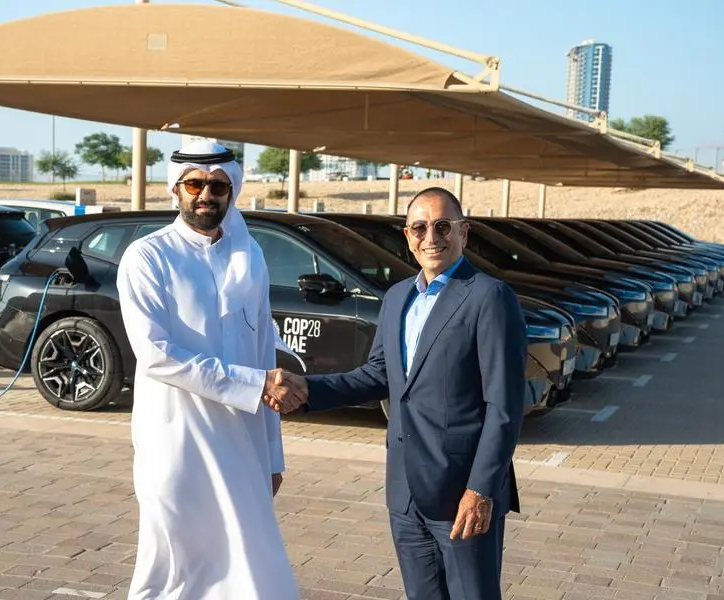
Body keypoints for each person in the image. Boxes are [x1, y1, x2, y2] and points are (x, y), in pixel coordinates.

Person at [278, 187, 528, 600]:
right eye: (420, 228)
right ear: (407, 236)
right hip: (406, 492)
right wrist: (307, 389)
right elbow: (378, 375)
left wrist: (481, 489)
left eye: (443, 226)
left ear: (464, 233)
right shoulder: (397, 298)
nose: (432, 237)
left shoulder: (489, 296)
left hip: (462, 492)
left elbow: (504, 406)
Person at [116, 140, 304, 600]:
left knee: (251, 568)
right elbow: (157, 355)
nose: (206, 194)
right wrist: (254, 383)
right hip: (175, 442)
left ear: (231, 191)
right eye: (195, 184)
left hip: (243, 444)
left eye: (218, 186)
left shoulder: (250, 256)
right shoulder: (147, 256)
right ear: (175, 189)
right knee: (172, 569)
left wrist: (273, 457)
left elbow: (264, 353)